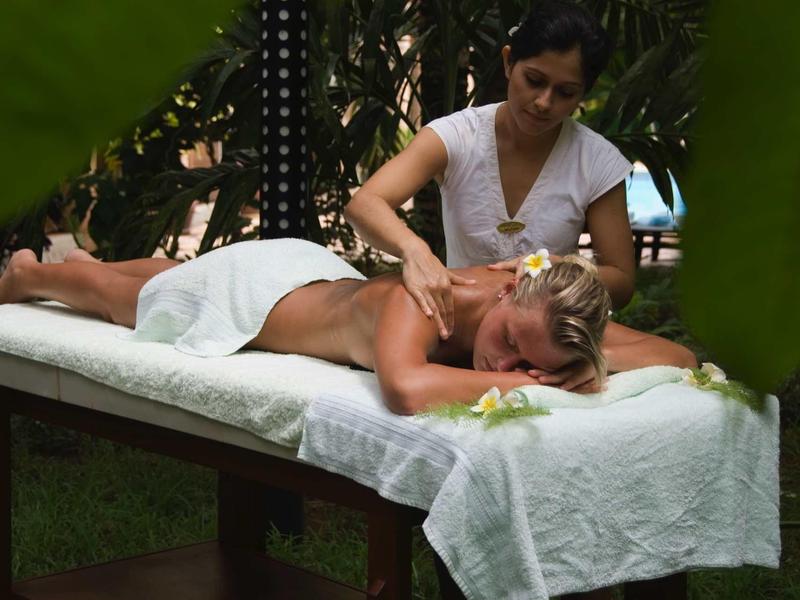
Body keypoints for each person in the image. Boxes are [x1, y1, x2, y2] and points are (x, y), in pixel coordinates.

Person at [0, 239, 695, 415]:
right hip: (254, 297)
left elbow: (678, 355)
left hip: (308, 269)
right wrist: (536, 387)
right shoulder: (422, 302)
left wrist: (582, 365)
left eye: (523, 363)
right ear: (509, 288)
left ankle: (88, 262)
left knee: (168, 271)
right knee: (130, 297)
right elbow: (406, 385)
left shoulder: (533, 316)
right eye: (511, 343)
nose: (504, 365)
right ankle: (30, 274)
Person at [344, 0, 635, 342]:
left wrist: (560, 271)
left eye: (565, 92)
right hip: (455, 328)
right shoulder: (456, 136)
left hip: (549, 341)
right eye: (534, 80)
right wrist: (416, 251)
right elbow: (364, 204)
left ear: (582, 92)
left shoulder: (596, 161)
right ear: (509, 62)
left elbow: (622, 281)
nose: (544, 101)